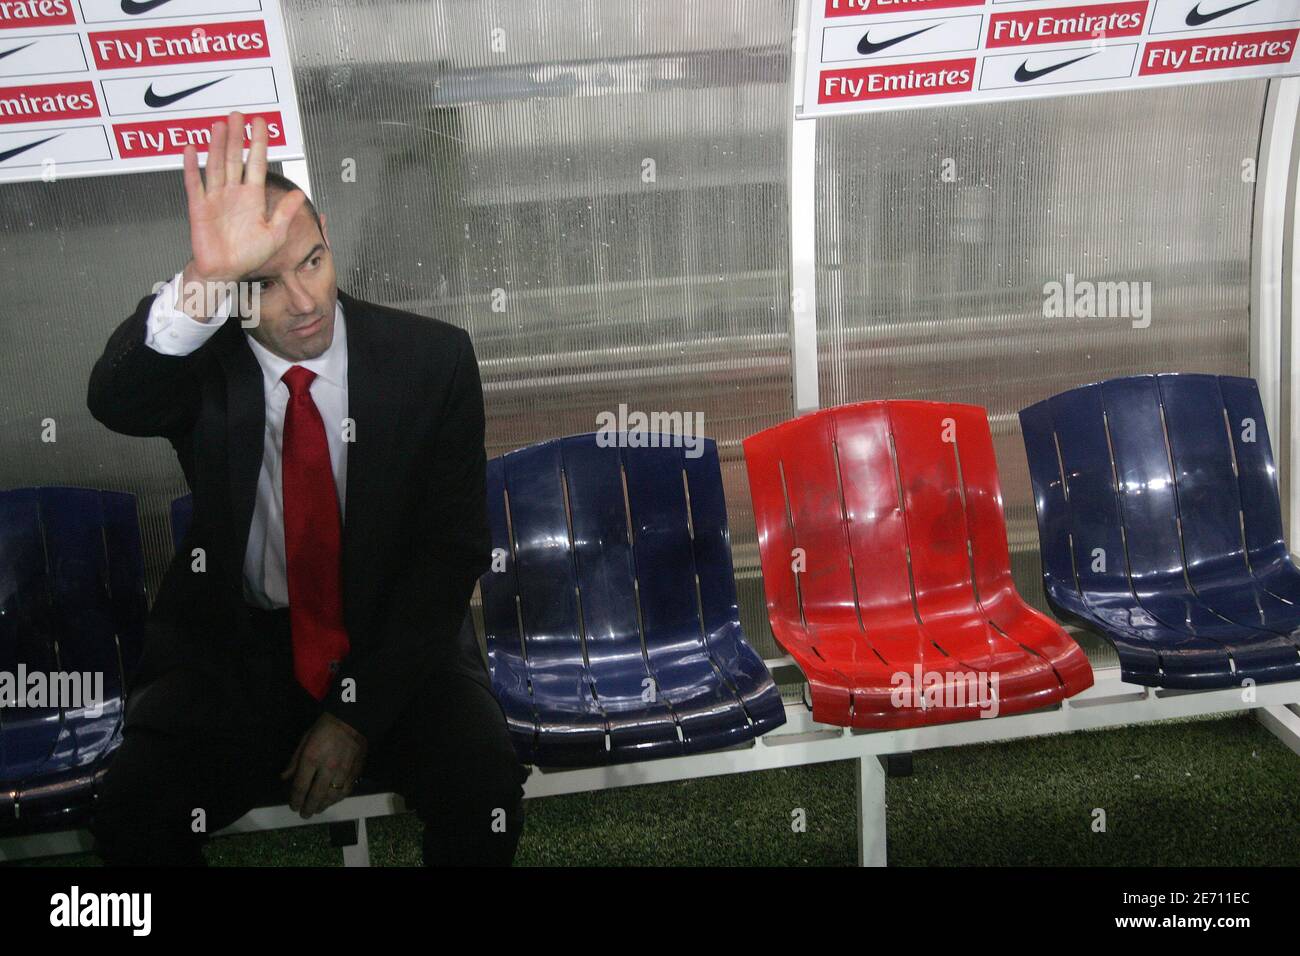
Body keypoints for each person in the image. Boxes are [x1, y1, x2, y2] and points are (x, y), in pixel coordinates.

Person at [85, 109, 527, 866]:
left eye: (314, 262)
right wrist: (204, 282)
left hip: (392, 641)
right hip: (237, 651)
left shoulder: (433, 361)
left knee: (483, 785)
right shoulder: (205, 363)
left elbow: (451, 556)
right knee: (135, 809)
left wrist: (355, 717)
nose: (304, 300)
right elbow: (116, 401)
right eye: (263, 282)